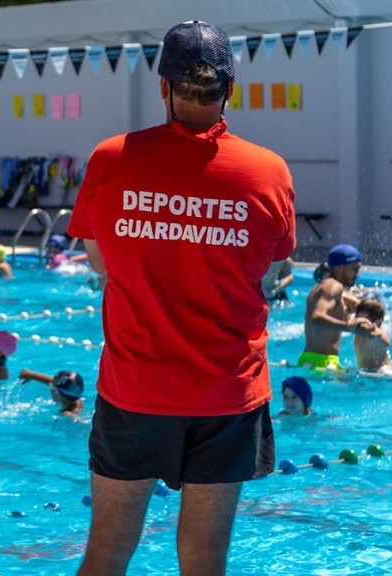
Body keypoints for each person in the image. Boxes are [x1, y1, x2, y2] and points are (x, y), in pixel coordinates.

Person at [66, 21, 297, 575]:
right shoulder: (268, 172)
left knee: (107, 552)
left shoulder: (111, 158)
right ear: (230, 89)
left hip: (135, 390)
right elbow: (272, 267)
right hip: (227, 393)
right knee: (203, 558)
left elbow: (102, 264)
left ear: (163, 87)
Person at [300, 245, 375, 371]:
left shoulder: (319, 287)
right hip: (324, 364)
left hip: (308, 359)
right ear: (339, 267)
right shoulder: (334, 286)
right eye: (355, 269)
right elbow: (316, 318)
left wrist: (351, 315)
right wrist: (351, 327)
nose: (358, 274)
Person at [19, 369, 85, 419]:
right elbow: (65, 385)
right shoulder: (77, 401)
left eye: (53, 388)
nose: (51, 389)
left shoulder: (66, 414)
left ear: (60, 394)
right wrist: (32, 375)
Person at [353, 298, 392, 374]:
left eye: (364, 318)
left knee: (386, 372)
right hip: (364, 369)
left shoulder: (376, 330)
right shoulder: (357, 329)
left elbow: (387, 342)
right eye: (357, 315)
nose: (358, 319)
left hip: (382, 368)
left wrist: (376, 334)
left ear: (377, 321)